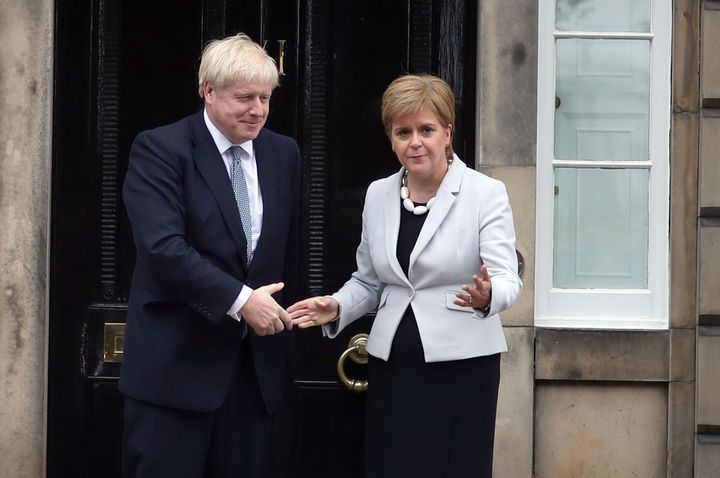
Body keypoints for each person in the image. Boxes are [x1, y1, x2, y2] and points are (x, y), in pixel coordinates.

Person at [288, 74, 521, 477]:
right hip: (395, 362)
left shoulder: (485, 192)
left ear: (447, 133)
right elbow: (369, 280)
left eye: (426, 130)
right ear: (391, 138)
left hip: (462, 365)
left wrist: (487, 296)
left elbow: (506, 277)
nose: (415, 141)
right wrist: (337, 305)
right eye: (403, 132)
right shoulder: (378, 194)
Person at [120, 33, 300, 478]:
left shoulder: (283, 153)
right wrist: (242, 301)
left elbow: (284, 249)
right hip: (175, 373)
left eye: (264, 97)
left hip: (254, 377)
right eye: (244, 98)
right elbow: (163, 248)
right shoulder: (161, 149)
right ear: (209, 92)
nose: (257, 110)